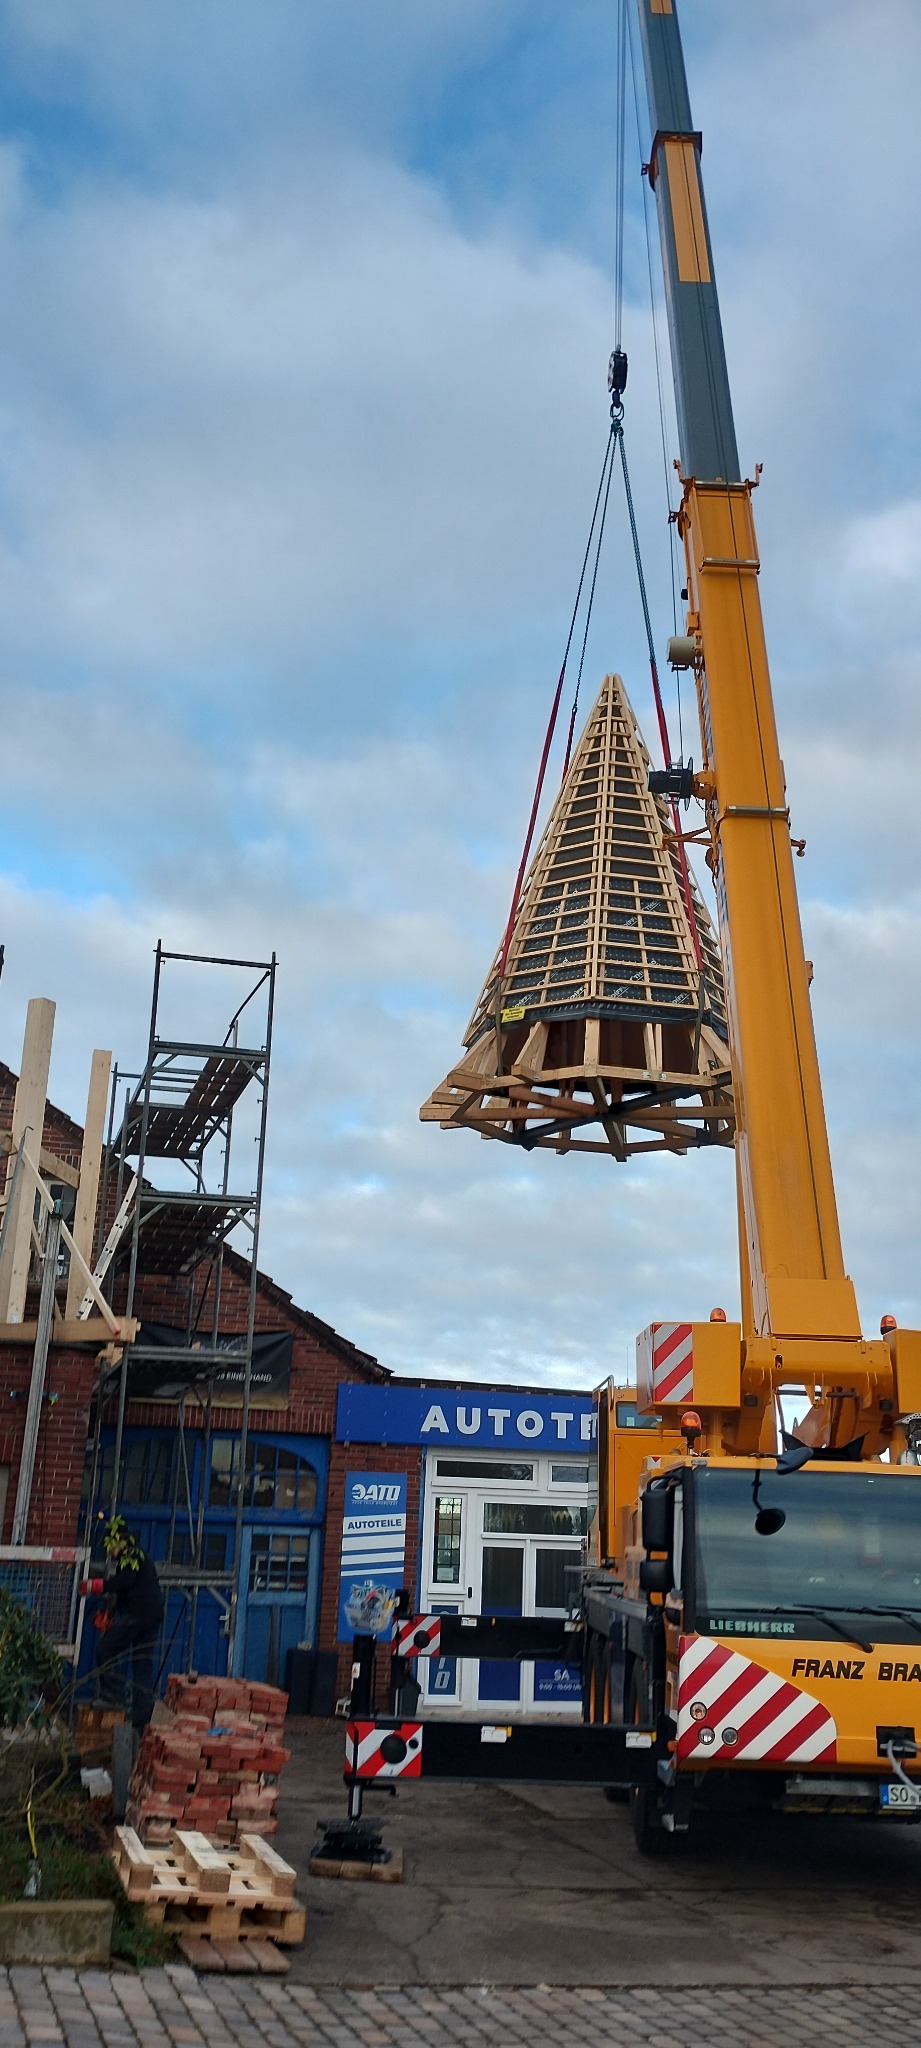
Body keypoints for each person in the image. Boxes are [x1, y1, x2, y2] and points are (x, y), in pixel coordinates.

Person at [86, 1518, 165, 1730]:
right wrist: (112, 1611)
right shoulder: (140, 1555)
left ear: (119, 1541)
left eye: (110, 1545)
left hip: (138, 1615)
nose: (109, 1551)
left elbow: (123, 1582)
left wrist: (96, 1586)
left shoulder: (130, 1557)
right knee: (142, 1664)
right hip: (152, 1614)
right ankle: (142, 1717)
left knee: (105, 1650)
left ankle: (114, 1697)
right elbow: (129, 1588)